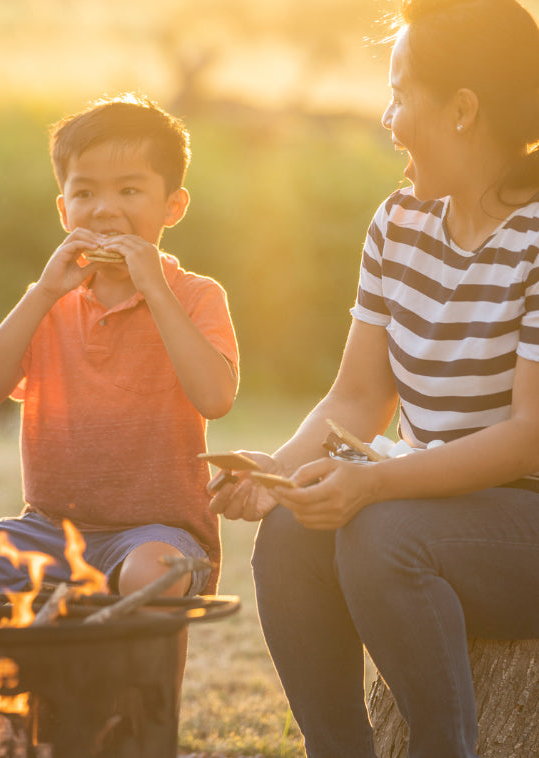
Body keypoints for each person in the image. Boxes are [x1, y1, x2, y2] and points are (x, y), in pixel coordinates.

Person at [209, 1, 539, 755]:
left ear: (462, 108)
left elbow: (527, 440)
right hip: (428, 507)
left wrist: (377, 484)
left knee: (385, 535)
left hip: (524, 520)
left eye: (399, 93)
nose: (386, 117)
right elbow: (359, 396)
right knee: (291, 535)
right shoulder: (399, 223)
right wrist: (278, 475)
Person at [0, 94, 239, 604]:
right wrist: (45, 292)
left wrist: (155, 289)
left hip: (158, 534)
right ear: (63, 208)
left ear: (173, 207)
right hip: (46, 531)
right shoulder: (49, 300)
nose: (105, 209)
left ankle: (146, 686)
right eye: (85, 192)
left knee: (151, 577)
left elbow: (215, 398)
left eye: (130, 190)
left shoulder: (196, 296)